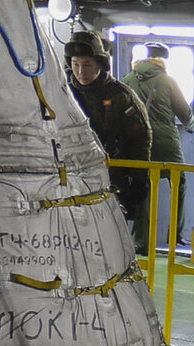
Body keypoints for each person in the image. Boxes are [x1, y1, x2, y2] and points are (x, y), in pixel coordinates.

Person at [62, 28, 152, 248]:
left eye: (87, 65)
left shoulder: (120, 95)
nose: (80, 71)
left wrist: (139, 179)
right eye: (75, 64)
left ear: (100, 64)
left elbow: (140, 138)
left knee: (109, 242)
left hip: (111, 179)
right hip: (70, 178)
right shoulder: (61, 93)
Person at [125, 41, 194, 251]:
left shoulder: (127, 79)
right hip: (166, 144)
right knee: (179, 182)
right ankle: (175, 236)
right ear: (162, 61)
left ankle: (142, 242)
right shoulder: (167, 80)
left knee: (143, 188)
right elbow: (184, 113)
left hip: (138, 144)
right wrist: (191, 126)